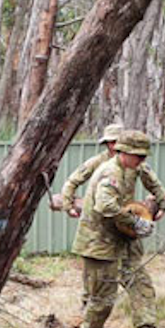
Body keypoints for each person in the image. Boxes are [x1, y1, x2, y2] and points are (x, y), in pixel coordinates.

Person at [73, 129, 165, 328]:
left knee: (142, 286)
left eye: (144, 156)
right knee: (103, 299)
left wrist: (161, 205)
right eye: (138, 156)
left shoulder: (134, 167)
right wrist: (136, 222)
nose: (142, 160)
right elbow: (105, 206)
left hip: (123, 240)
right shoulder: (109, 172)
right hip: (99, 243)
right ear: (123, 152)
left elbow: (155, 184)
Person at [57, 123, 123, 305]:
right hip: (95, 224)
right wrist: (67, 204)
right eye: (110, 142)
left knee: (122, 265)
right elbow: (72, 181)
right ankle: (87, 305)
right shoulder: (98, 162)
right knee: (92, 268)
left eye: (117, 141)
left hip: (120, 221)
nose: (113, 146)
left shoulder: (132, 163)